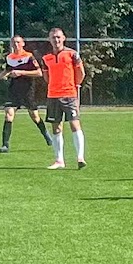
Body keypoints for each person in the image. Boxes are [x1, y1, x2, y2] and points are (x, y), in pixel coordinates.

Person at [0, 35, 52, 153]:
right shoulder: (9, 57)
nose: (16, 45)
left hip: (28, 90)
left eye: (18, 42)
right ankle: (5, 146)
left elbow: (39, 73)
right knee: (9, 114)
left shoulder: (29, 56)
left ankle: (46, 135)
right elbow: (7, 70)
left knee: (35, 116)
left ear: (23, 43)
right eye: (14, 43)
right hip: (14, 90)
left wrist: (20, 72)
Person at [41, 28, 86, 170]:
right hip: (53, 95)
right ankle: (59, 160)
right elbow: (46, 76)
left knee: (74, 124)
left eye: (59, 37)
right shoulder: (46, 57)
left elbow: (81, 73)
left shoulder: (72, 54)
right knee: (56, 127)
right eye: (53, 37)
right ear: (50, 39)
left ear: (64, 38)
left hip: (69, 95)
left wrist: (74, 85)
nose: (56, 40)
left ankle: (80, 157)